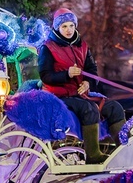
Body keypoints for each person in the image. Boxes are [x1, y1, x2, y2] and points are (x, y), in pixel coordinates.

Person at [38, 8, 126, 164]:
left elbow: (92, 70)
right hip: (58, 96)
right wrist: (66, 74)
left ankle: (125, 150)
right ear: (57, 28)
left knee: (115, 107)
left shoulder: (83, 46)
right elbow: (45, 76)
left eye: (71, 25)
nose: (68, 30)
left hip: (81, 94)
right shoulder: (48, 48)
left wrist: (88, 83)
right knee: (89, 109)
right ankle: (93, 155)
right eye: (64, 26)